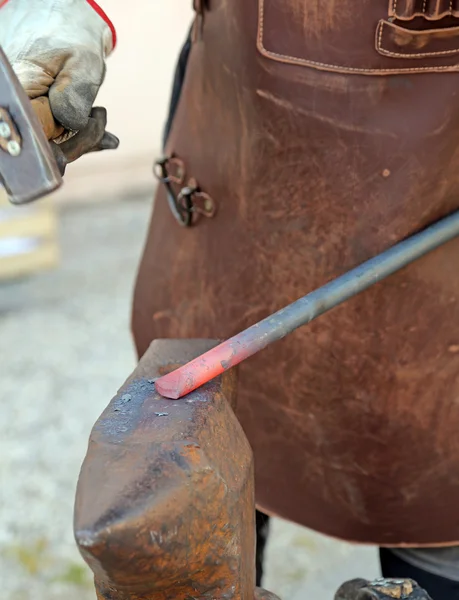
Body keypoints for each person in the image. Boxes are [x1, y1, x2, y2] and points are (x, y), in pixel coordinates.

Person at [2, 2, 459, 598]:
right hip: (231, 187)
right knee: (199, 512)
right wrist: (53, 10)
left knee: (436, 515)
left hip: (435, 284)